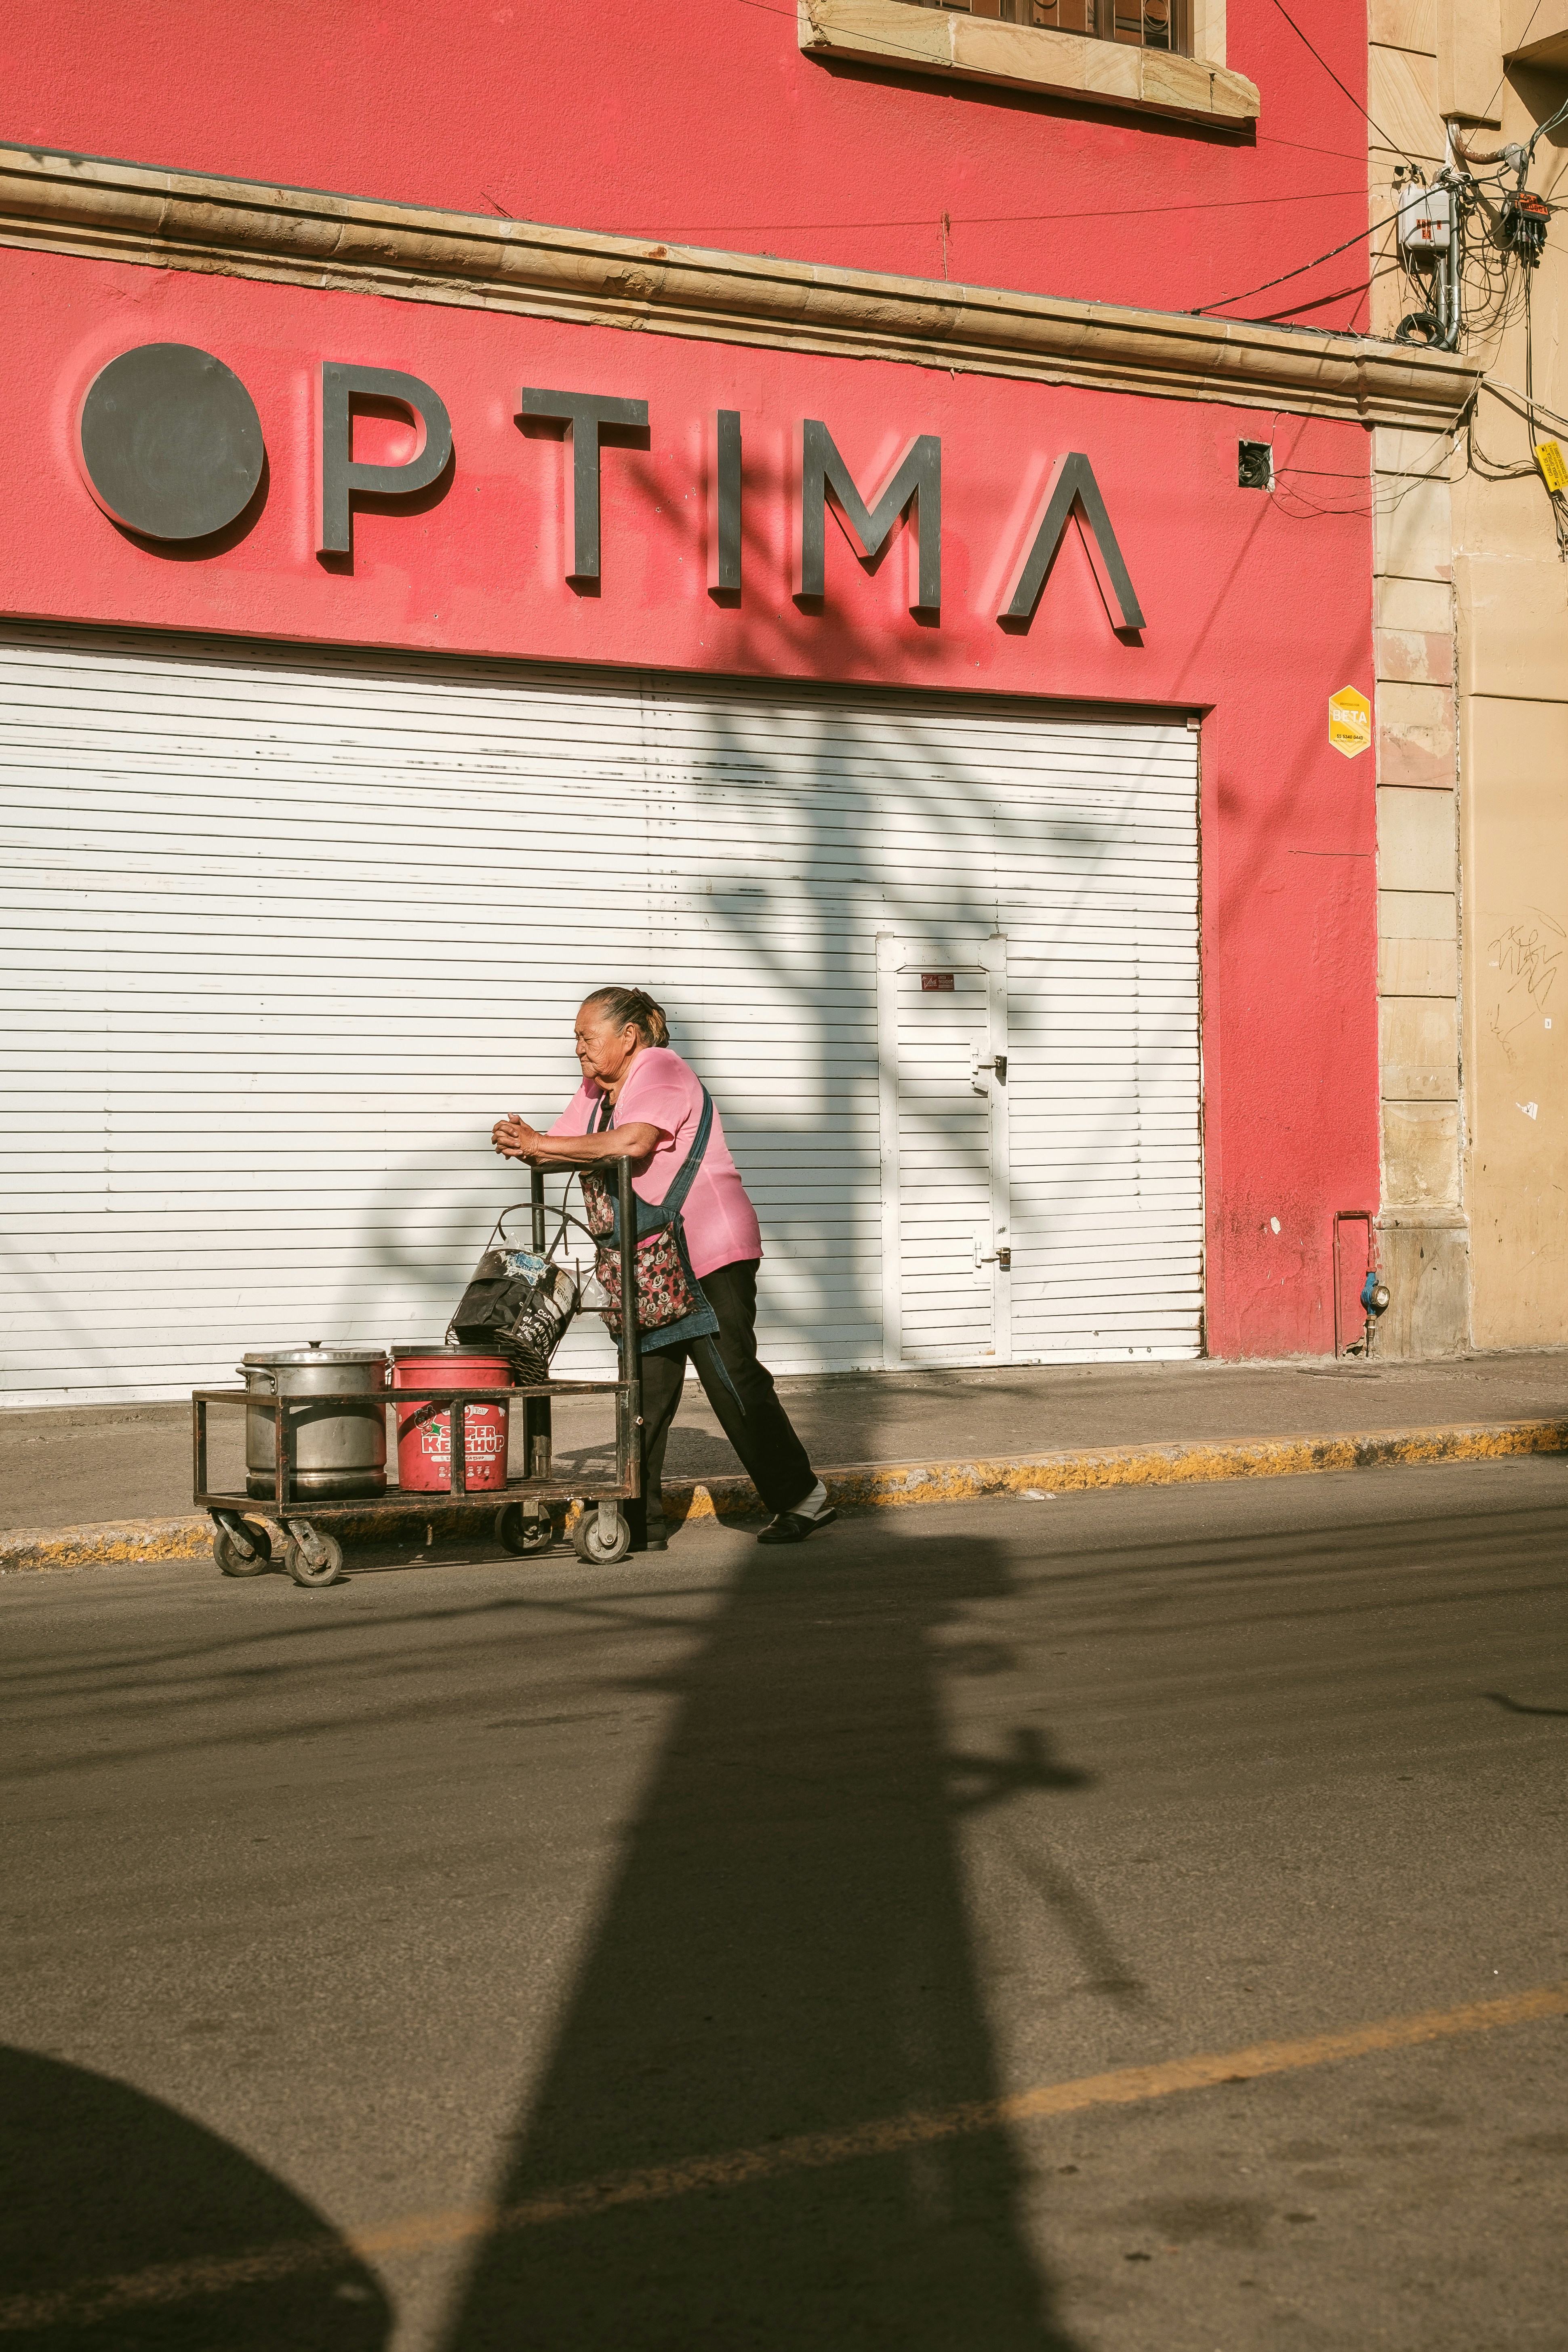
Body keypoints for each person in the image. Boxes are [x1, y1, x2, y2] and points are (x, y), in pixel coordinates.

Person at [491, 987, 833, 1551]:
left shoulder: (661, 1067)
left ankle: (803, 1497)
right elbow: (562, 1146)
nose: (578, 1048)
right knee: (644, 1391)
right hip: (650, 1265)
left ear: (628, 1037)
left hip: (707, 1249)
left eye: (587, 1036)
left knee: (730, 1377)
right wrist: (525, 1144)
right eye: (576, 1038)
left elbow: (634, 1142)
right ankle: (634, 1519)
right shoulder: (597, 1091)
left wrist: (542, 1144)